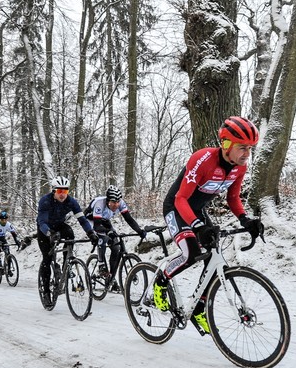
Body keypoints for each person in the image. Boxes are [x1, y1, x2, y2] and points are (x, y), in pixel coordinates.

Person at [154, 116, 265, 335]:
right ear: (226, 144)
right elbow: (180, 199)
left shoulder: (239, 169)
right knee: (192, 252)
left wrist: (245, 220)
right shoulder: (202, 159)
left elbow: (233, 198)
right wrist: (197, 226)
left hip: (197, 211)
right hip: (177, 208)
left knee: (215, 257)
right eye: (242, 148)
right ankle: (161, 281)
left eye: (250, 149)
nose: (247, 154)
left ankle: (198, 309)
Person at [36, 176, 98, 298]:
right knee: (47, 259)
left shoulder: (71, 201)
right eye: (60, 191)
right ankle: (47, 292)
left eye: (65, 191)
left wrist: (90, 233)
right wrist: (50, 234)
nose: (63, 194)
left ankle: (67, 263)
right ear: (54, 191)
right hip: (44, 229)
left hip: (59, 225)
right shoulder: (45, 201)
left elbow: (82, 219)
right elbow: (42, 222)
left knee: (70, 234)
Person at [86, 185, 146, 292]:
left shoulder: (121, 203)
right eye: (113, 202)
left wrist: (140, 231)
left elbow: (129, 219)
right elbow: (97, 226)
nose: (115, 205)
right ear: (108, 200)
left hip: (104, 220)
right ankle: (101, 264)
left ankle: (111, 278)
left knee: (116, 248)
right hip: (92, 220)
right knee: (103, 238)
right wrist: (108, 232)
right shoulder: (100, 204)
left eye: (117, 202)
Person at [0, 210, 21, 275]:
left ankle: (8, 270)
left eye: (5, 219)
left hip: (2, 239)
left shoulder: (9, 225)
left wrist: (17, 241)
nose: (4, 221)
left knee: (7, 252)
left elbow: (14, 234)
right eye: (2, 220)